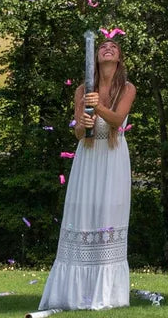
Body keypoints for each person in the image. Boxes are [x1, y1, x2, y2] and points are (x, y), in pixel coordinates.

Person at [39, 33, 136, 310]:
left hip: (113, 156)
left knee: (108, 215)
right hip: (89, 155)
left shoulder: (127, 88)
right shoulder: (82, 89)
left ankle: (106, 294)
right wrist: (81, 122)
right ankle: (74, 293)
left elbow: (117, 120)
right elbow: (79, 134)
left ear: (119, 58)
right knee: (83, 215)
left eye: (113, 46)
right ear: (96, 56)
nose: (107, 48)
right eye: (103, 46)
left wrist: (99, 106)